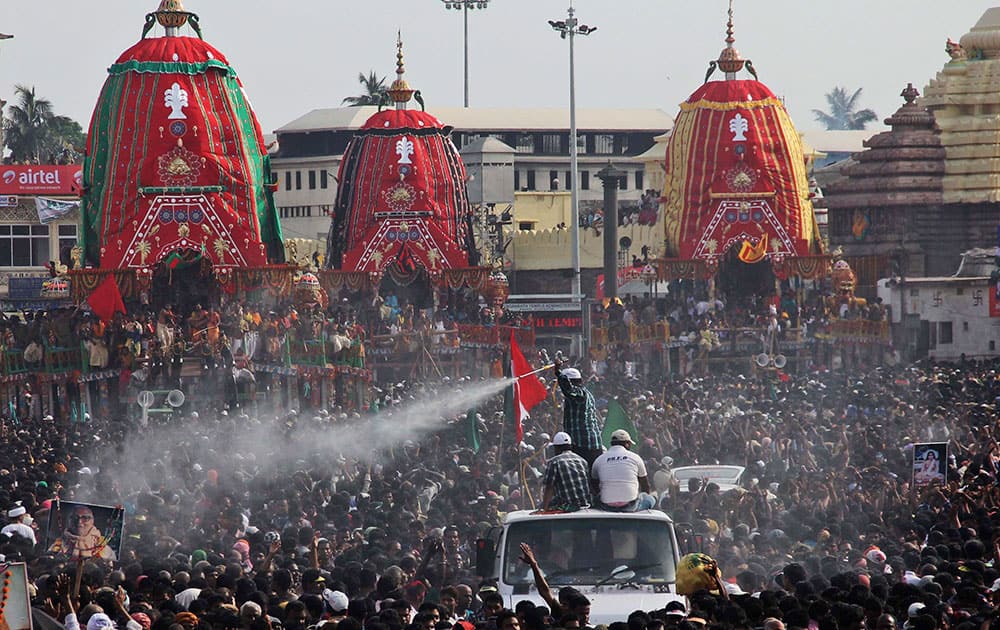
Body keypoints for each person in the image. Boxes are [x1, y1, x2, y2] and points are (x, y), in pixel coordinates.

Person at [591, 429, 655, 511]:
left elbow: (594, 485)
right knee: (650, 499)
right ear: (627, 444)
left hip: (606, 506)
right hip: (630, 506)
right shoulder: (635, 457)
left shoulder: (599, 460)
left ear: (611, 444)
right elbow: (645, 485)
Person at [553, 361, 603, 467]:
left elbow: (569, 390)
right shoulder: (583, 394)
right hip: (586, 444)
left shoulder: (581, 394)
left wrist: (558, 372)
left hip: (585, 444)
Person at [540, 432, 591, 512]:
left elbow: (549, 488)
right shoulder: (582, 460)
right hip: (586, 503)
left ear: (556, 448)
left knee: (542, 505)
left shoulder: (554, 462)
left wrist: (543, 510)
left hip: (568, 505)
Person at [50, 504, 117, 561]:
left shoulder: (105, 549)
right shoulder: (56, 546)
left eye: (85, 518)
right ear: (69, 520)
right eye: (75, 517)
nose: (79, 522)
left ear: (92, 521)